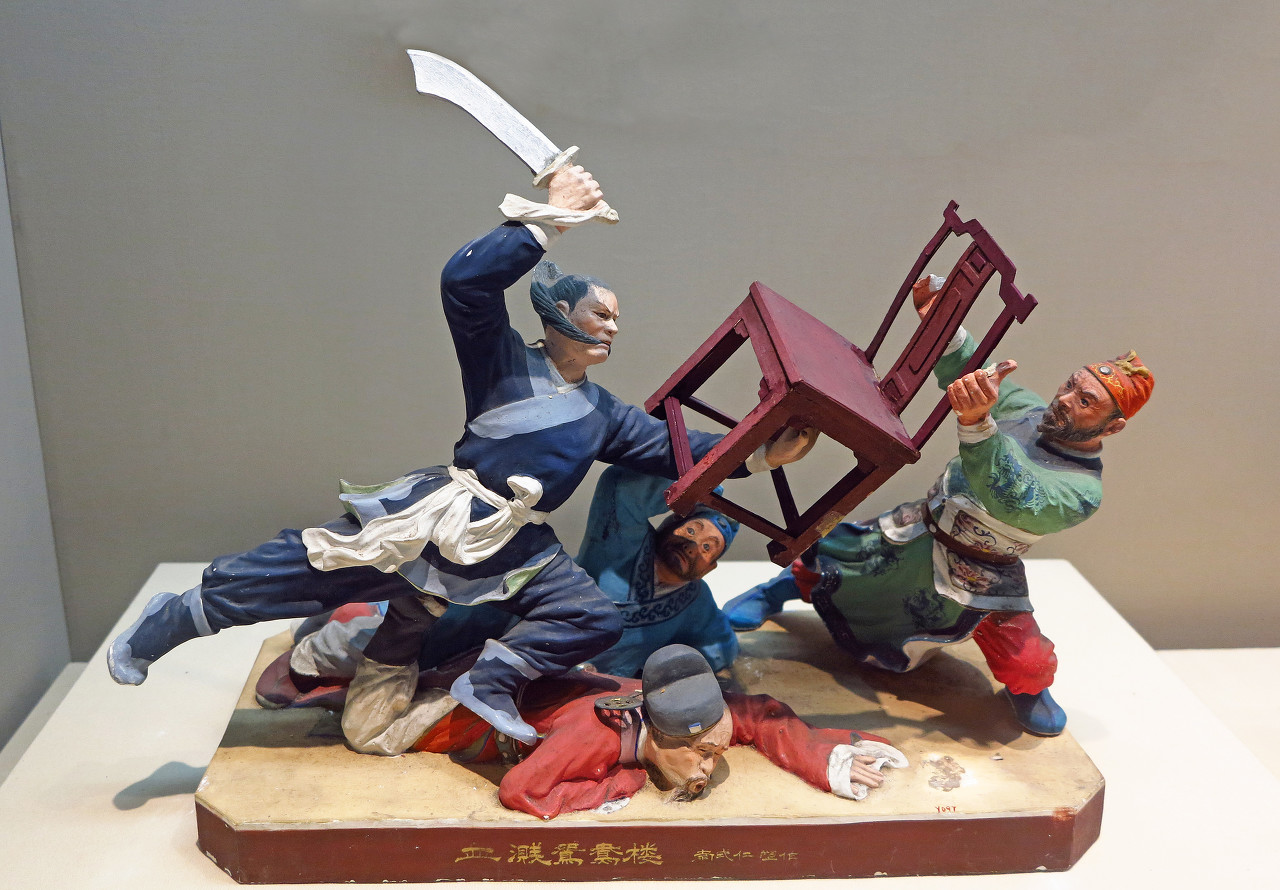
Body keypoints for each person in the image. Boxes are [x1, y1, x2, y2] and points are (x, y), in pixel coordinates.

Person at [108, 167, 816, 747]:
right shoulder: (501, 361)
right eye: (601, 314)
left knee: (590, 617)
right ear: (558, 316)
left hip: (513, 542)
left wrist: (763, 453)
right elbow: (465, 285)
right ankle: (179, 617)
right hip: (444, 512)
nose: (612, 328)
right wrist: (546, 220)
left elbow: (676, 451)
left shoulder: (604, 414)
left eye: (616, 320)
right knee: (309, 567)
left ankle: (490, 682)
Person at [724, 275, 1154, 737]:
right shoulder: (1026, 409)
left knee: (1027, 660)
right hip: (923, 527)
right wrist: (943, 322)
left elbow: (1014, 495)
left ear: (1112, 427)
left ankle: (1028, 690)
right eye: (1070, 385)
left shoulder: (1082, 489)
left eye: (1085, 401)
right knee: (832, 551)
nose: (1064, 400)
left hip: (982, 570)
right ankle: (778, 591)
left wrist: (977, 424)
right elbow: (975, 374)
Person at [328, 643, 907, 820]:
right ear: (671, 740)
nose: (709, 767)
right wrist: (612, 786)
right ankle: (368, 639)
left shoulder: (682, 710)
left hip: (516, 672)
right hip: (451, 714)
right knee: (364, 722)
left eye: (712, 754)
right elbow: (520, 790)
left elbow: (757, 712)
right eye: (706, 756)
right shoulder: (595, 739)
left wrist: (825, 758)